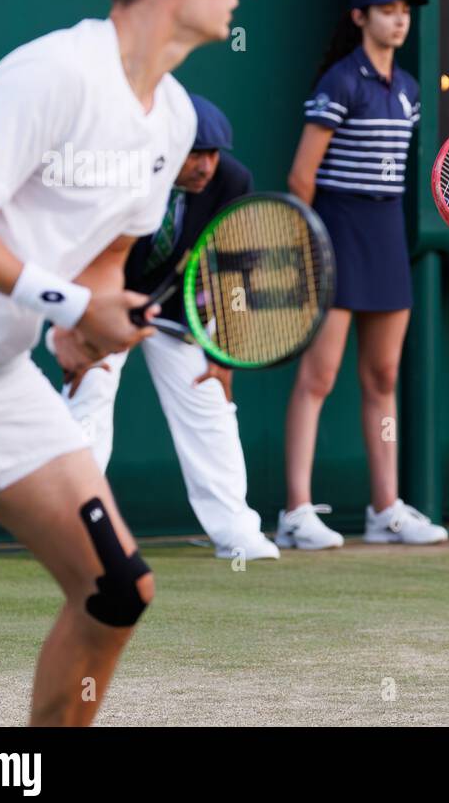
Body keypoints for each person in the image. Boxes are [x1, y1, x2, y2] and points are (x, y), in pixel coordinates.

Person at [0, 0, 271, 725]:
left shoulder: (171, 120)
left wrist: (89, 327)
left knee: (117, 587)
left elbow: (103, 259)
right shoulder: (55, 73)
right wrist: (65, 303)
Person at [51, 94, 279, 562]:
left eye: (214, 153)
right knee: (90, 394)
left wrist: (222, 353)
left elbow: (234, 271)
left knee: (210, 402)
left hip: (179, 308)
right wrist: (86, 325)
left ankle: (236, 530)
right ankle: (74, 526)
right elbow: (86, 251)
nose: (207, 166)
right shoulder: (123, 173)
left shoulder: (232, 182)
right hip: (106, 297)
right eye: (196, 153)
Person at [278, 0, 447, 548]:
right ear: (360, 17)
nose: (399, 18)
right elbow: (301, 176)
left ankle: (385, 509)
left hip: (385, 237)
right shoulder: (339, 82)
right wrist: (311, 248)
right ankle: (296, 511)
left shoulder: (408, 88)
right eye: (385, 8)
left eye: (404, 9)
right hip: (337, 233)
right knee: (319, 376)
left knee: (383, 377)